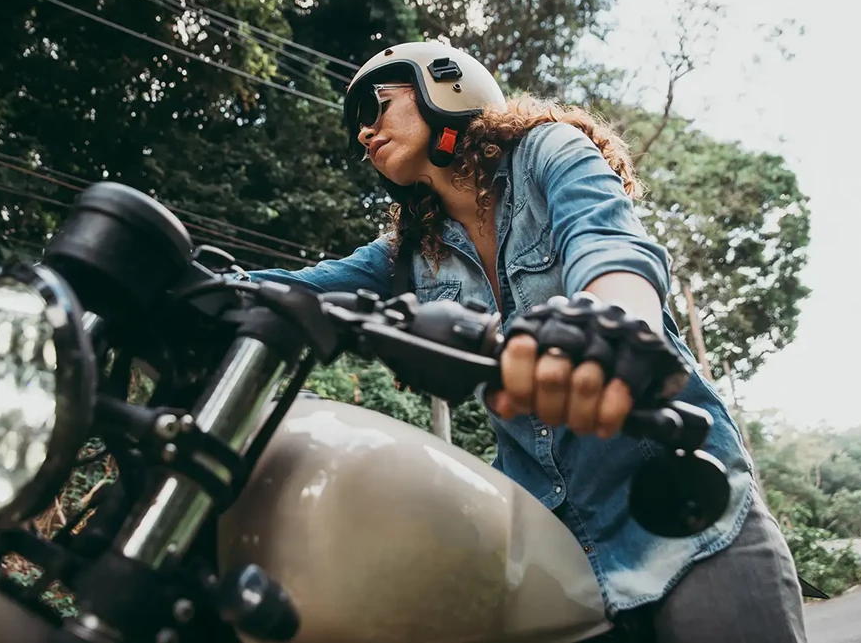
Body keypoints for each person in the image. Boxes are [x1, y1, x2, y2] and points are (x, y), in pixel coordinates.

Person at [247, 41, 805, 642]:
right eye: (358, 122)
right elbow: (289, 291)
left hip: (682, 512)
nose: (364, 132)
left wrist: (611, 333)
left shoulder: (547, 153)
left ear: (445, 84)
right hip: (550, 557)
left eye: (377, 104)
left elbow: (610, 248)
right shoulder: (410, 254)